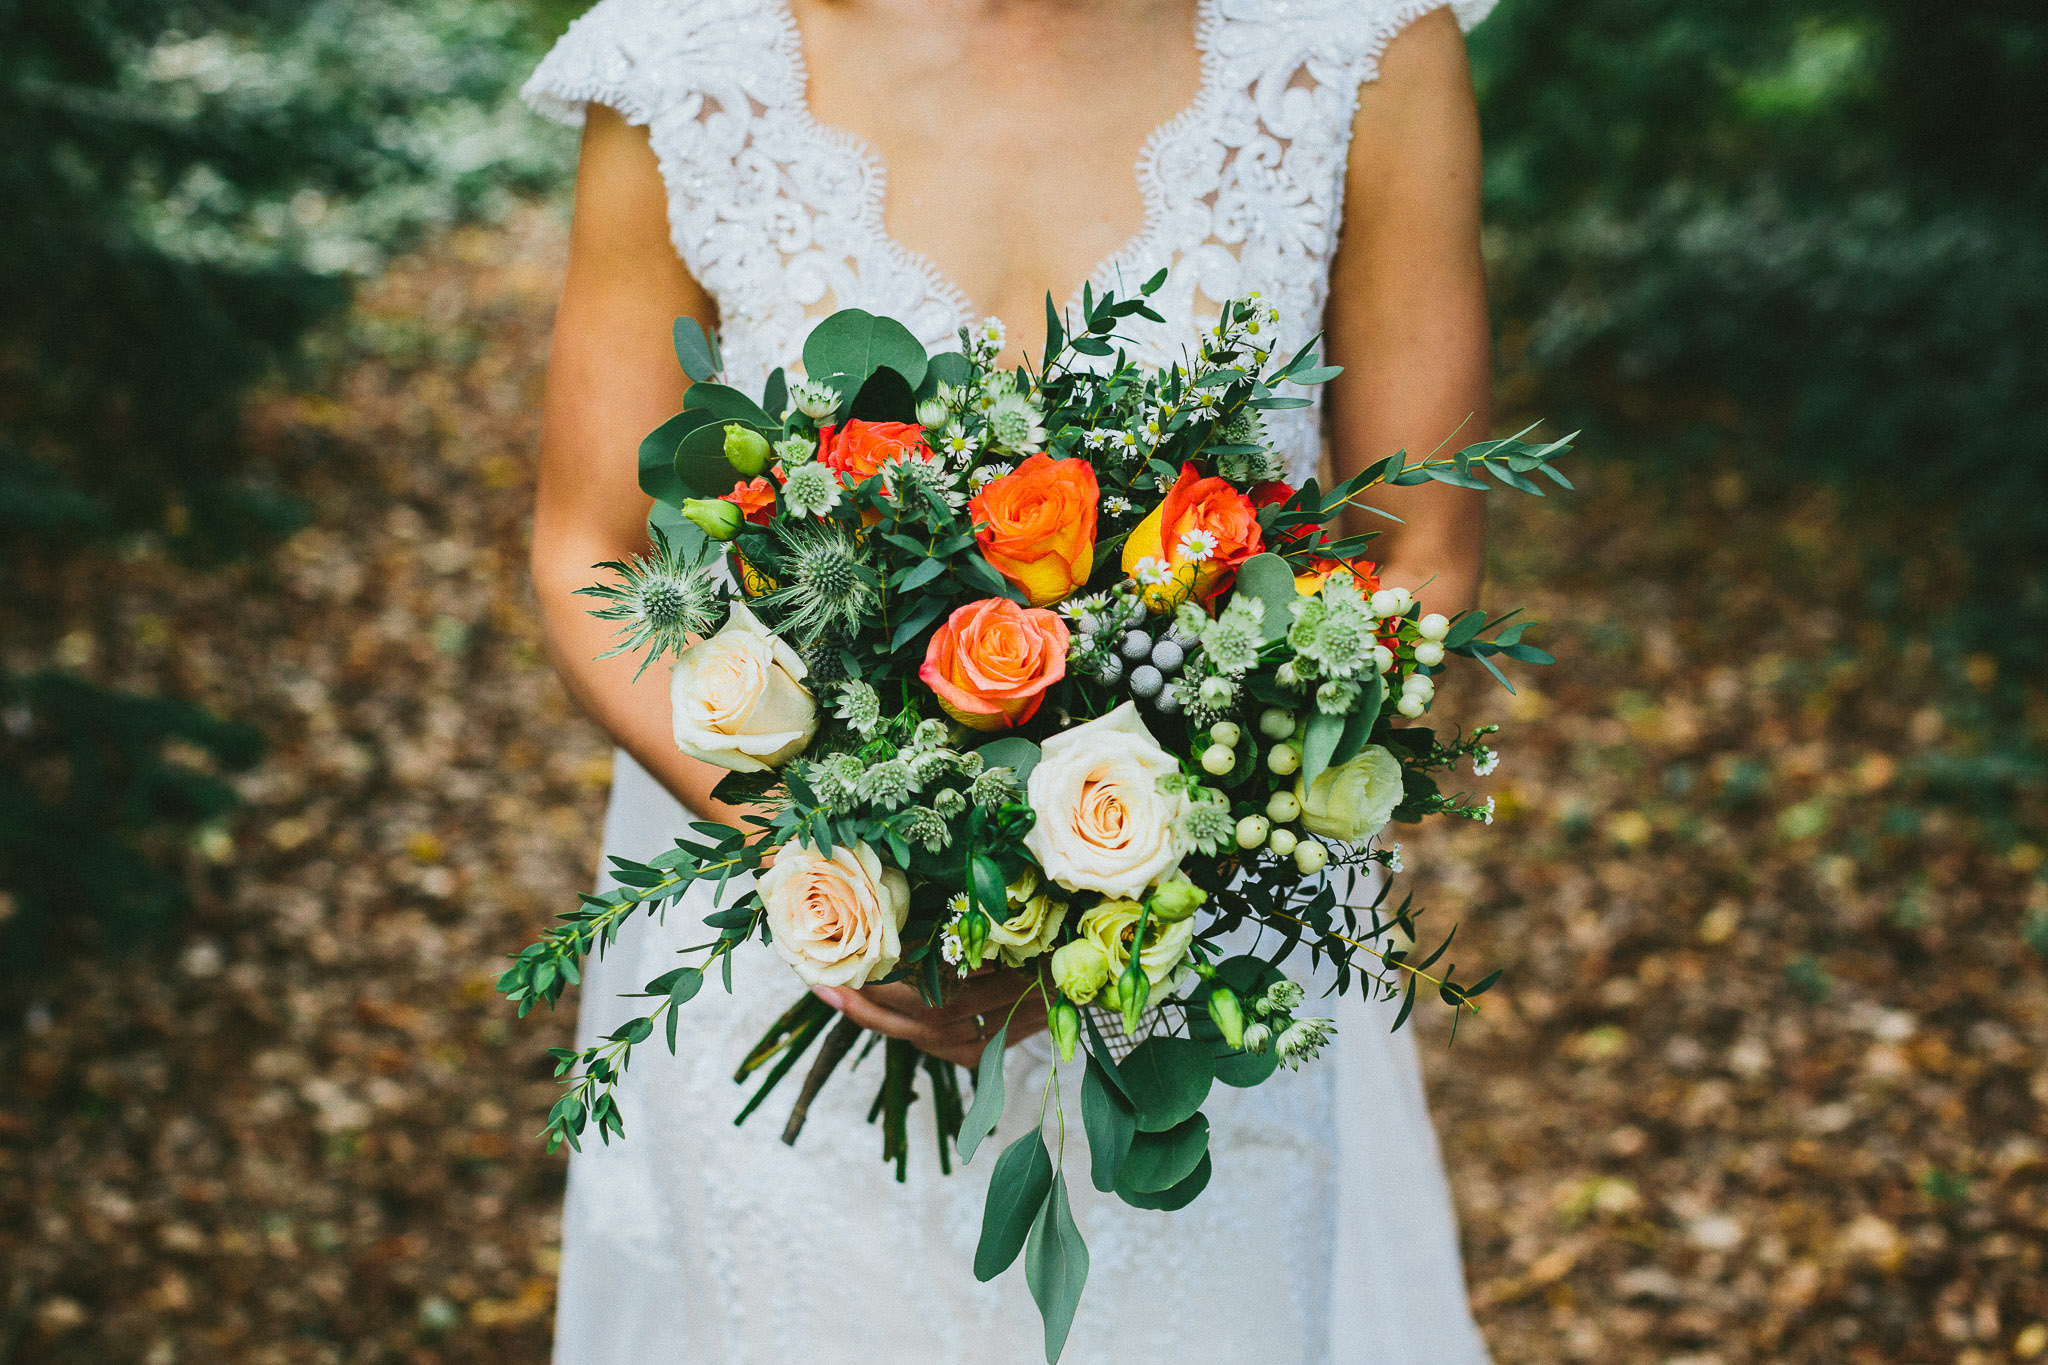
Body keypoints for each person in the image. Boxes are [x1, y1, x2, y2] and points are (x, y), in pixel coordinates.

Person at [525, 0, 1496, 1359]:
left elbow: (1425, 553)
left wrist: (1158, 865)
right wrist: (836, 867)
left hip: (1199, 1004)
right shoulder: (697, 54)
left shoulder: (1360, 43)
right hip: (802, 971)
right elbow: (592, 547)